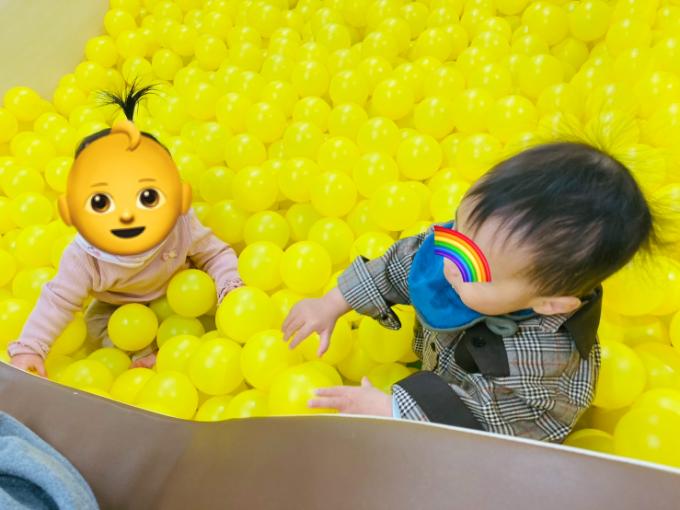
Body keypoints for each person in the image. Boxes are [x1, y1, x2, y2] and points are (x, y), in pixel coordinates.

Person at [283, 142, 655, 442]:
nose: (449, 264)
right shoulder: (471, 253)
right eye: (458, 232)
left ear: (548, 303)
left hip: (508, 429)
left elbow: (488, 419)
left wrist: (391, 410)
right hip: (452, 368)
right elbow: (404, 262)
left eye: (473, 267)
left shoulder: (542, 361)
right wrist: (332, 302)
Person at [9, 85, 242, 376]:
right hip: (117, 306)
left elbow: (215, 254)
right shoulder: (84, 257)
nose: (127, 215)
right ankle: (142, 355)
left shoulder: (180, 223)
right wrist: (31, 347)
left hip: (177, 289)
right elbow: (58, 300)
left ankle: (179, 344)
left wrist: (230, 287)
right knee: (96, 325)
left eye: (148, 197)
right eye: (102, 202)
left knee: (200, 306)